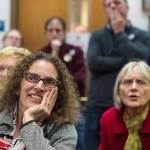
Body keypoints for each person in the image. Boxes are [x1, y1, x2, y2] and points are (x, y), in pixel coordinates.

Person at [85, 0, 150, 149]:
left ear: (127, 7)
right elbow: (94, 63)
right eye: (108, 4)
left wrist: (119, 33)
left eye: (117, 2)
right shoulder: (97, 36)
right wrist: (125, 60)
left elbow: (140, 62)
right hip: (99, 103)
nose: (113, 6)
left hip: (134, 106)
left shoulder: (143, 35)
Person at [0, 52, 79, 150]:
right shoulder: (2, 113)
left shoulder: (64, 131)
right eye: (32, 77)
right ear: (17, 86)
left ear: (59, 93)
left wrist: (29, 121)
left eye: (49, 81)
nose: (39, 87)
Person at [98, 60, 150, 150]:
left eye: (141, 82)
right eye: (128, 82)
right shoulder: (109, 118)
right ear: (118, 90)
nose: (133, 88)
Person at [40, 16, 86, 97]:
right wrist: (54, 53)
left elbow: (80, 77)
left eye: (58, 30)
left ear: (64, 33)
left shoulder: (76, 51)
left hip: (72, 96)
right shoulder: (41, 53)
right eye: (50, 30)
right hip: (45, 96)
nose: (54, 34)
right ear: (46, 33)